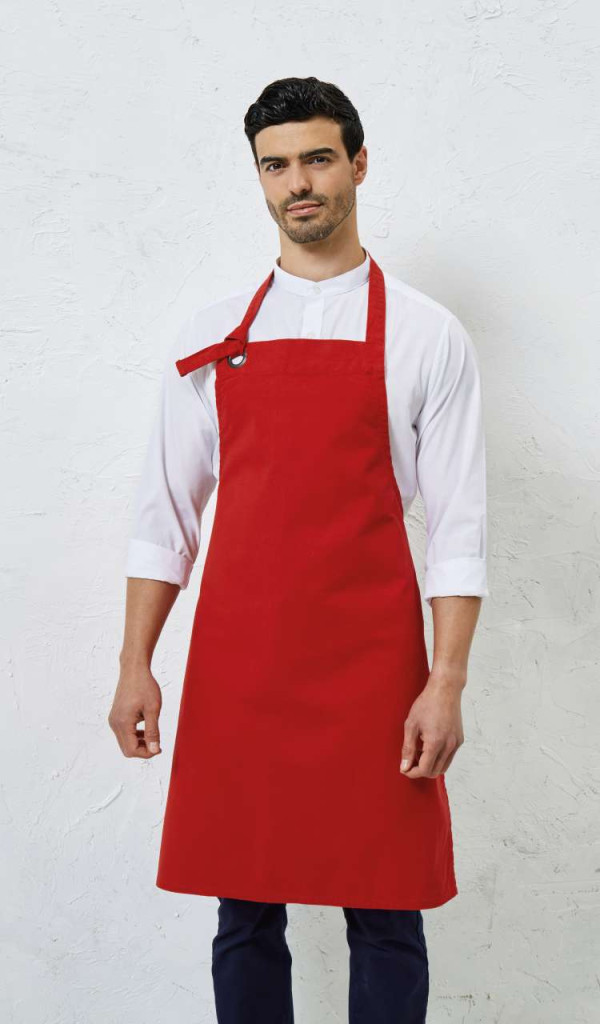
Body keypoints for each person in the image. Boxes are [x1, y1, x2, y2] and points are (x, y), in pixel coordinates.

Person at [109, 76, 488, 1024]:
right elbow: (166, 515)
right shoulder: (211, 338)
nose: (298, 184)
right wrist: (134, 663)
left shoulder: (427, 337)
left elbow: (458, 527)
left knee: (387, 908)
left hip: (374, 667)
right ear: (259, 179)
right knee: (244, 911)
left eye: (317, 159)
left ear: (358, 164)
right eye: (275, 167)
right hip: (243, 666)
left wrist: (446, 680)